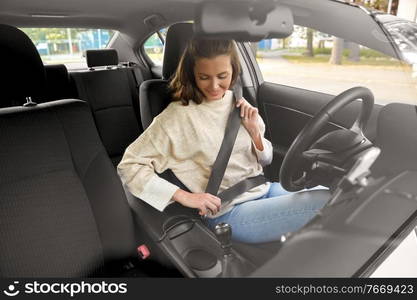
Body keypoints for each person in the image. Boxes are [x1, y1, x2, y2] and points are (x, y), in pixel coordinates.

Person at [117, 38, 329, 244]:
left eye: (222, 76)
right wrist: (184, 197)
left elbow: (265, 161)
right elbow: (129, 167)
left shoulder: (238, 103)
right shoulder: (176, 118)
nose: (215, 86)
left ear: (234, 70)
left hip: (263, 189)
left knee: (337, 194)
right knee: (328, 203)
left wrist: (255, 132)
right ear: (191, 74)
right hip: (229, 211)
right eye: (204, 77)